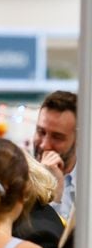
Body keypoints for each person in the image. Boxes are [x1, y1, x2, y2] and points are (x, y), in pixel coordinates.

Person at [33, 90, 77, 221]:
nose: (44, 145)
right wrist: (50, 189)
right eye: (41, 132)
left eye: (57, 137)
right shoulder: (18, 177)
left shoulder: (87, 181)